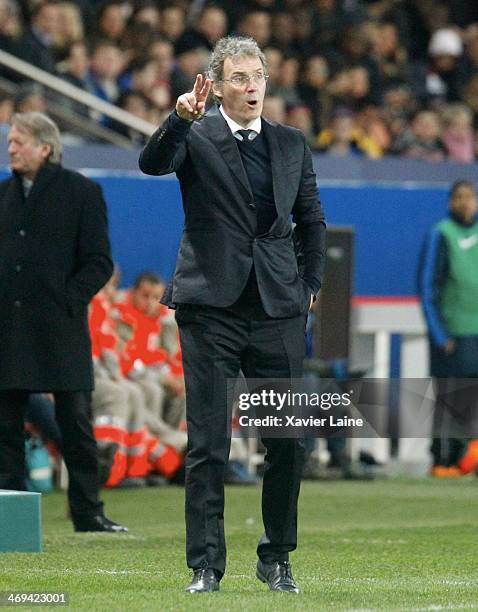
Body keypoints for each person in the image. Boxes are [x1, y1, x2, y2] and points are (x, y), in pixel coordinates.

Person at [139, 36, 326, 593]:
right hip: (210, 308)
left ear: (268, 83)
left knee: (288, 441)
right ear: (217, 86)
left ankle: (277, 556)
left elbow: (312, 222)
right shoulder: (194, 134)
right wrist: (176, 119)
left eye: (258, 78)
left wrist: (309, 285)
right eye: (239, 78)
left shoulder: (292, 144)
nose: (250, 88)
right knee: (208, 443)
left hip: (277, 309)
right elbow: (151, 164)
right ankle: (206, 565)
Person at [0, 112, 127, 533]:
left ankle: (88, 512)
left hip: (62, 326)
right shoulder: (3, 195)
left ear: (45, 148)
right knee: (6, 427)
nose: (11, 147)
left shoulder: (82, 192)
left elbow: (99, 261)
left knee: (76, 421)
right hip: (10, 328)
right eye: (11, 141)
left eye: (19, 141)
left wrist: (69, 301)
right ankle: (13, 519)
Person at [418, 180, 478, 476]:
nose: (466, 203)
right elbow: (427, 286)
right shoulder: (441, 234)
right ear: (450, 202)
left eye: (471, 197)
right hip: (453, 332)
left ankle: (470, 458)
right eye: (460, 197)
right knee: (452, 397)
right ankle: (444, 458)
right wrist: (439, 333)